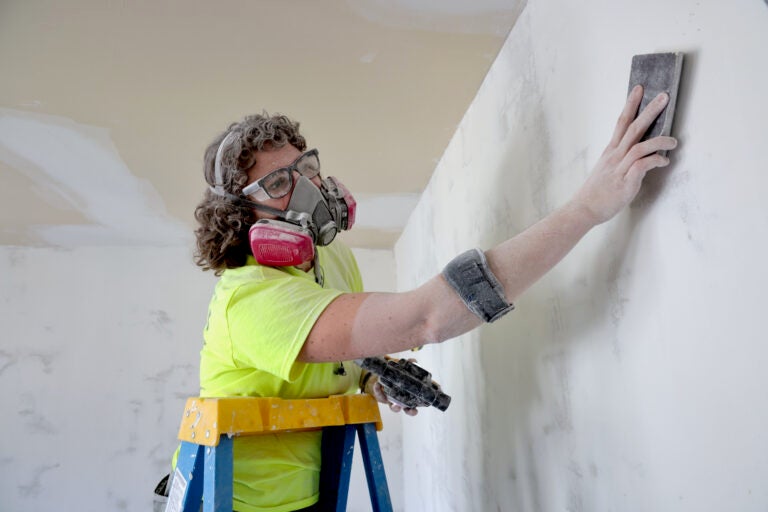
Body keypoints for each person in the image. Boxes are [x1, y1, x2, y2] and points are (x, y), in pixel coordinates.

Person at [177, 85, 677, 512]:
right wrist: (589, 206)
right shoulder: (250, 298)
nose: (308, 186)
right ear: (242, 214)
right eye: (280, 182)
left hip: (314, 493)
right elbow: (427, 318)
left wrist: (373, 375)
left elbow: (338, 349)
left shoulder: (333, 262)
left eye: (305, 166)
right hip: (240, 502)